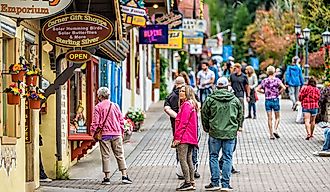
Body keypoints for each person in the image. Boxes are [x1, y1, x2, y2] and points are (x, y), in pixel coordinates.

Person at [202, 77, 243, 191]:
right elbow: (240, 115)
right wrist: (238, 126)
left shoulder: (210, 99)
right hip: (230, 133)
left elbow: (204, 113)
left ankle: (215, 182)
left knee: (213, 156)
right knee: (227, 158)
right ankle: (225, 184)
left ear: (217, 86)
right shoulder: (234, 100)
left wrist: (206, 127)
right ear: (227, 86)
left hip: (214, 132)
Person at [91, 87, 132, 185]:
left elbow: (96, 123)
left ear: (100, 96)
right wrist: (121, 132)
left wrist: (93, 132)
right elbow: (121, 121)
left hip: (105, 135)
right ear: (108, 95)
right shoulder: (115, 106)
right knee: (120, 155)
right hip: (116, 133)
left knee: (105, 156)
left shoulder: (98, 107)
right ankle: (124, 176)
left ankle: (107, 178)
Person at [173, 85, 199, 191]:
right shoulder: (191, 104)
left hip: (184, 137)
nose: (180, 93)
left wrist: (177, 138)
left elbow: (183, 123)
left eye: (183, 91)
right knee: (188, 159)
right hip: (190, 137)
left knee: (182, 159)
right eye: (179, 91)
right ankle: (191, 181)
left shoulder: (186, 105)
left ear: (188, 93)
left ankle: (187, 182)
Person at [257, 66, 286, 140]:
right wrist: (279, 92)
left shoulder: (265, 80)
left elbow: (257, 89)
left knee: (269, 118)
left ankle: (271, 134)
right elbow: (284, 87)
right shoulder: (277, 80)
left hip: (267, 100)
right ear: (274, 72)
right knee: (277, 117)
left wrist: (264, 92)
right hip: (275, 99)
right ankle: (275, 130)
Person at [230, 63, 250, 129]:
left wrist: (248, 96)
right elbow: (230, 84)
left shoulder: (244, 76)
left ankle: (240, 125)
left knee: (241, 110)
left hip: (240, 95)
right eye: (234, 68)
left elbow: (247, 86)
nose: (234, 69)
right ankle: (235, 124)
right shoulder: (232, 76)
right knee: (233, 110)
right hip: (233, 95)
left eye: (236, 68)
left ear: (239, 68)